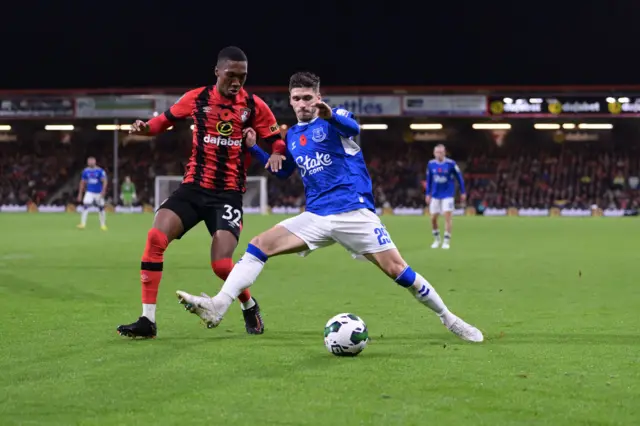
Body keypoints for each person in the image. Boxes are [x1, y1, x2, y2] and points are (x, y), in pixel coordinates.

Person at [175, 72, 483, 343]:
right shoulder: (293, 135)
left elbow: (353, 128)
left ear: (318, 97)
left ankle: (449, 318)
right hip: (317, 216)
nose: (303, 103)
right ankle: (218, 306)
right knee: (259, 245)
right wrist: (254, 147)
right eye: (297, 98)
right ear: (291, 101)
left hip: (353, 212)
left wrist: (329, 114)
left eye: (308, 97)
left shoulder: (335, 118)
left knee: (397, 270)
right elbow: (282, 172)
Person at [116, 46, 287, 339]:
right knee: (156, 237)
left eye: (242, 77)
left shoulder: (254, 106)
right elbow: (163, 121)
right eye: (231, 75)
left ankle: (249, 304)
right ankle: (147, 320)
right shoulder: (197, 98)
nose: (236, 82)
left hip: (228, 195)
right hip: (193, 188)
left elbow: (276, 139)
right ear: (217, 71)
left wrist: (277, 153)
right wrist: (145, 127)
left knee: (222, 265)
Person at [425, 144, 466, 249]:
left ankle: (446, 241)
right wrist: (427, 194)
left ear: (444, 153)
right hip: (435, 195)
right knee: (433, 218)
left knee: (447, 217)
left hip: (447, 194)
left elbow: (459, 178)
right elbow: (429, 180)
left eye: (441, 152)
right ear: (434, 153)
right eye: (437, 152)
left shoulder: (451, 164)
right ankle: (437, 239)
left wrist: (463, 192)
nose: (439, 154)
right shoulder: (431, 164)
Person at [77, 156, 107, 231]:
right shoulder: (86, 171)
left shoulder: (100, 171)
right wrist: (80, 193)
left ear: (95, 162)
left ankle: (103, 225)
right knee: (85, 205)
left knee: (101, 208)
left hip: (98, 192)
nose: (90, 163)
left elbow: (105, 181)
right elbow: (82, 182)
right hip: (89, 192)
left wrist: (103, 191)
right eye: (89, 161)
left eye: (92, 161)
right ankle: (82, 224)